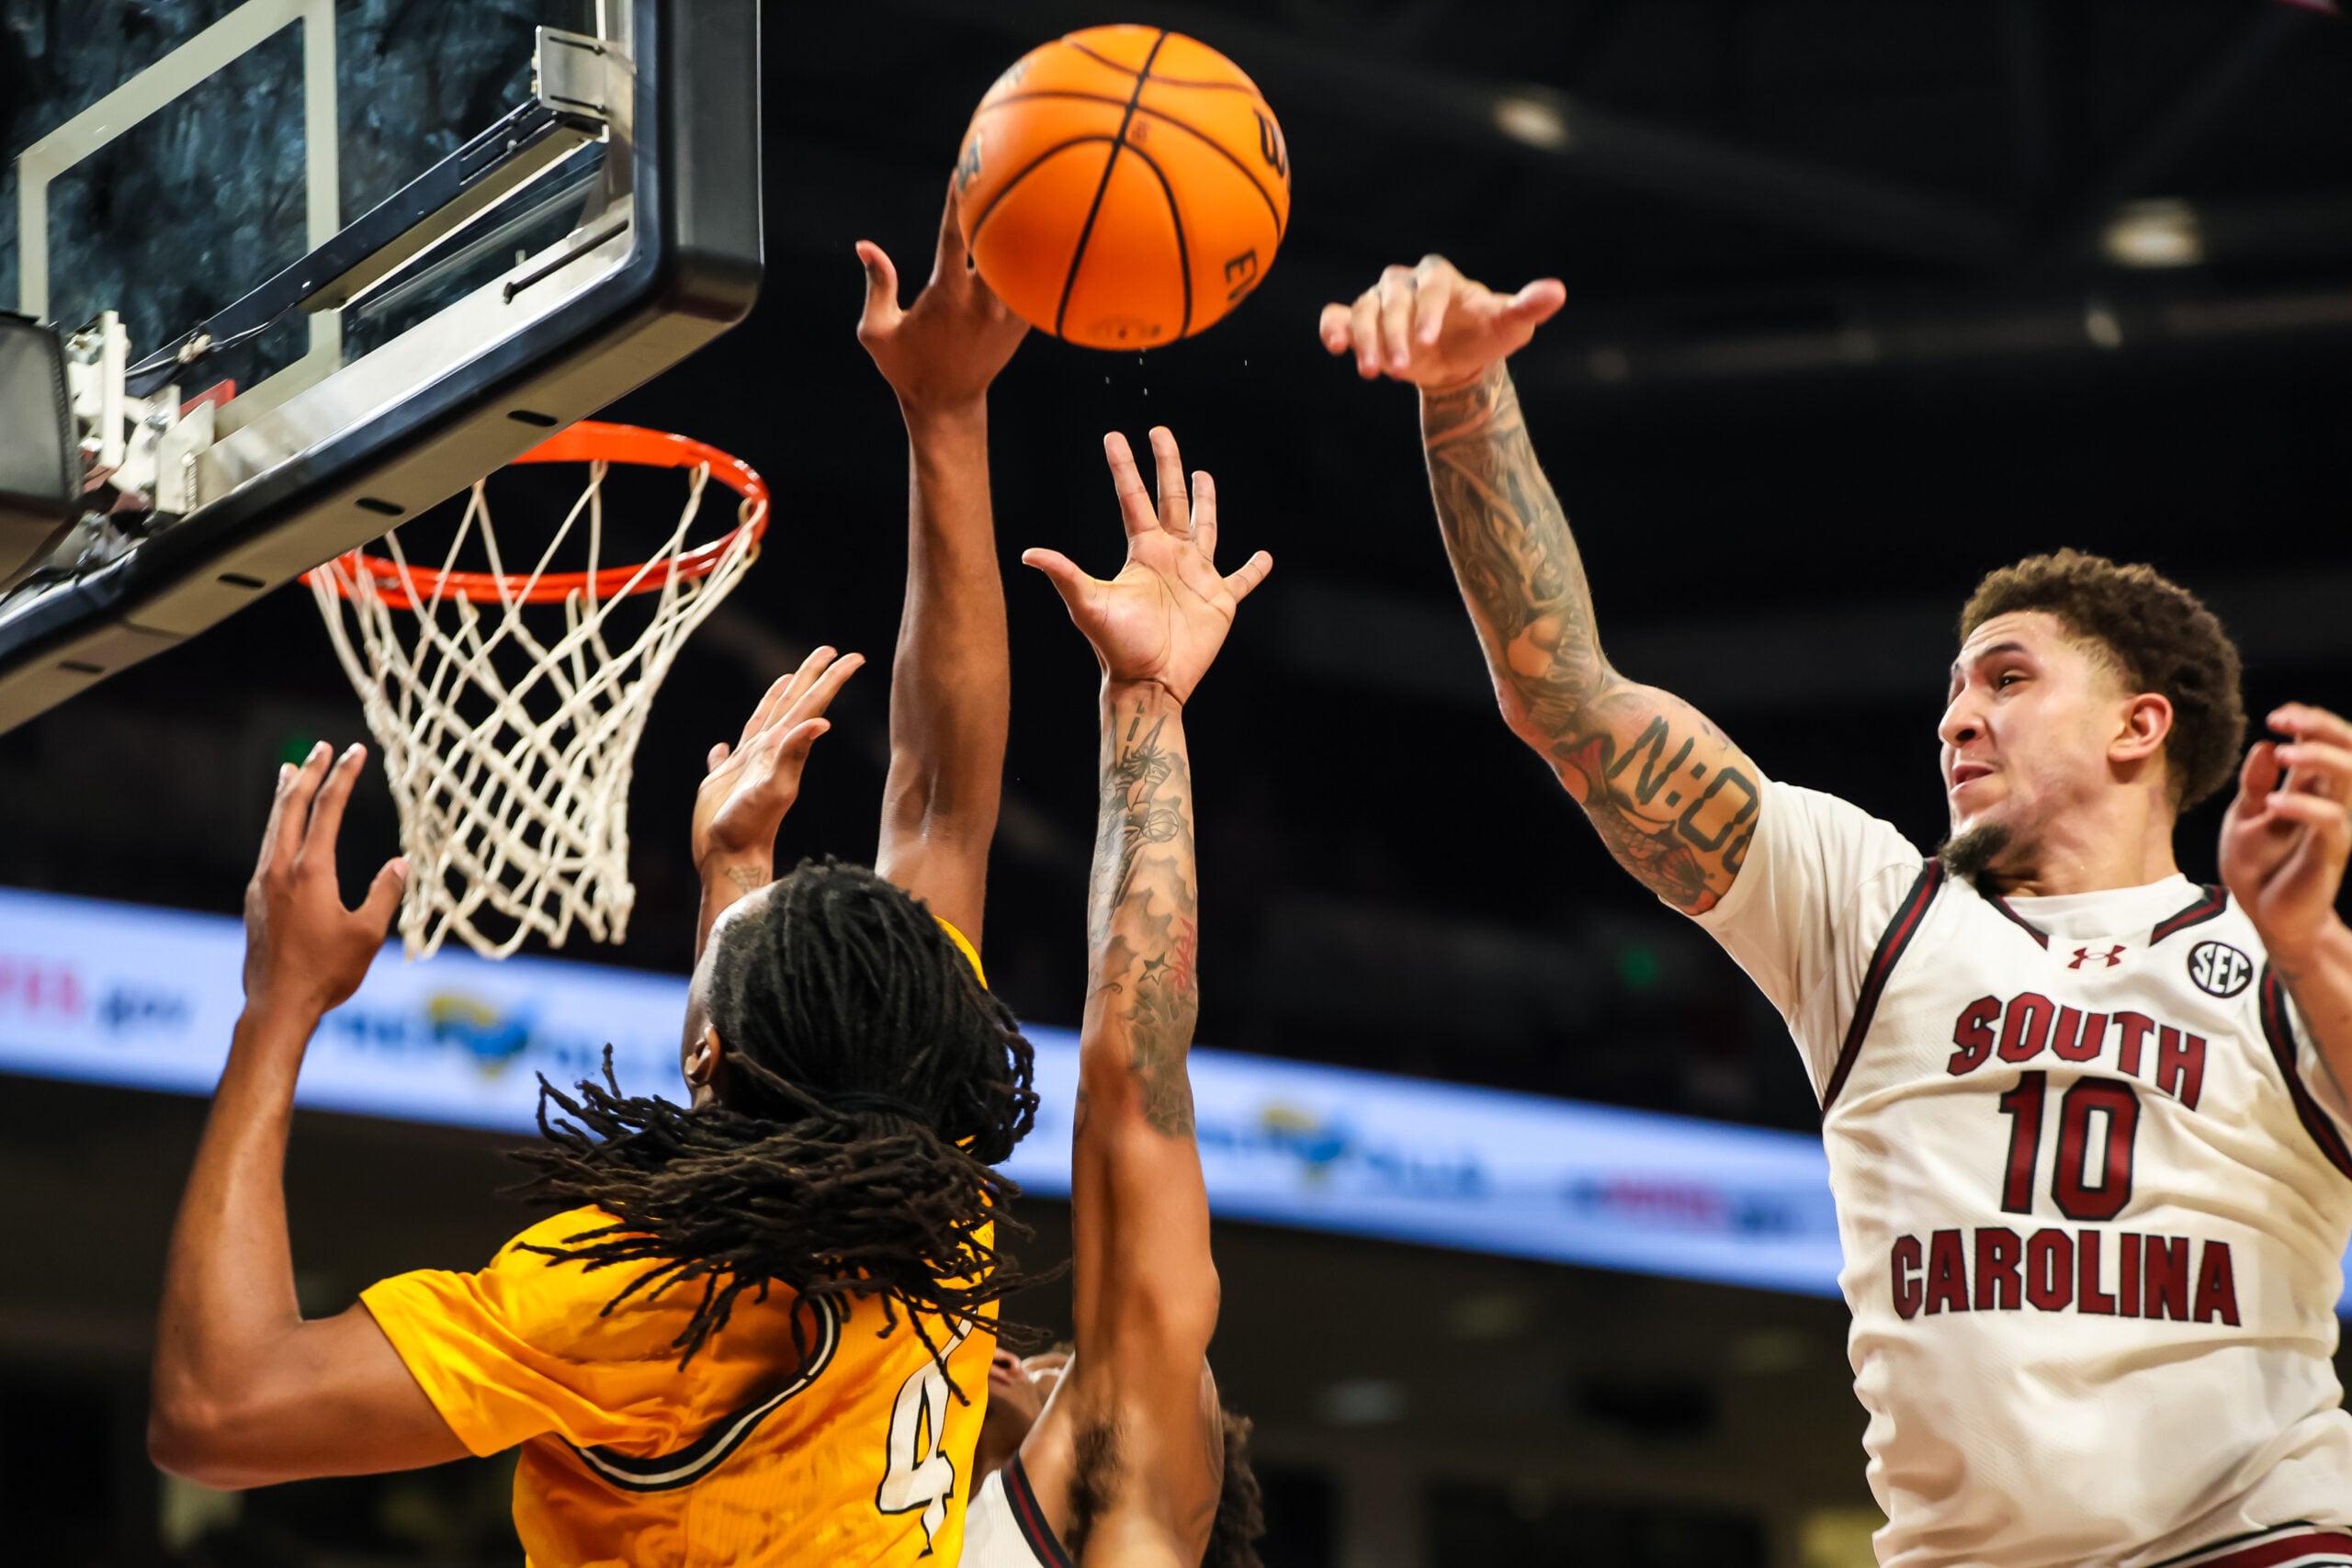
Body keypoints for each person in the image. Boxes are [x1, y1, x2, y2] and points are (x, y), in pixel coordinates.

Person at [1322, 256, 2352, 1566]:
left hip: (2255, 1542)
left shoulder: (2277, 956)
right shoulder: (1875, 907)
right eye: (1951, 689)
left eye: (2008, 677)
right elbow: (1568, 701)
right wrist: (1465, 393)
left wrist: (2310, 934)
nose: (1956, 715)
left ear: (2141, 724)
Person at [147, 187, 1039, 1566]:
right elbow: (943, 804)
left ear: (707, 1049)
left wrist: (276, 1012)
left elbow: (221, 1411)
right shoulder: (944, 1191)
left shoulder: (649, 1303)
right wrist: (951, 416)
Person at [954, 425, 1272, 1568]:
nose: (1010, 1357)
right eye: (1046, 1354)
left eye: (1049, 1362)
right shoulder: (876, 1502)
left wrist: (1146, 700)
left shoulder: (1121, 1495)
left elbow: (1132, 1076)